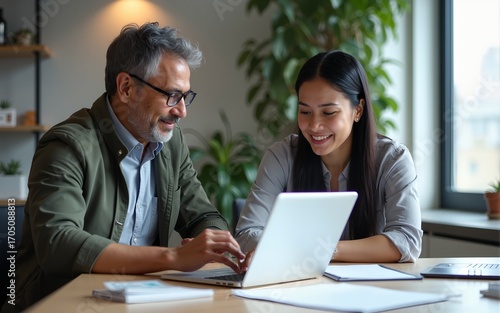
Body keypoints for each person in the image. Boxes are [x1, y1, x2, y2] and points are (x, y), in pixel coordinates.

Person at [1, 22, 245, 313]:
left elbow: (202, 215)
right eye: (172, 95)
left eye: (185, 96)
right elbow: (58, 242)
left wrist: (214, 243)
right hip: (63, 303)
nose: (181, 111)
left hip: (142, 301)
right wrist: (173, 258)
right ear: (127, 88)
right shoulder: (66, 147)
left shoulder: (170, 143)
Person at [235, 50, 422, 264]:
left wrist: (323, 249)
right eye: (305, 112)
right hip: (299, 286)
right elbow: (247, 234)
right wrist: (305, 250)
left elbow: (407, 240)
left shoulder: (392, 160)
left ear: (358, 110)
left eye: (328, 113)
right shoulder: (282, 156)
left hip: (372, 290)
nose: (314, 126)